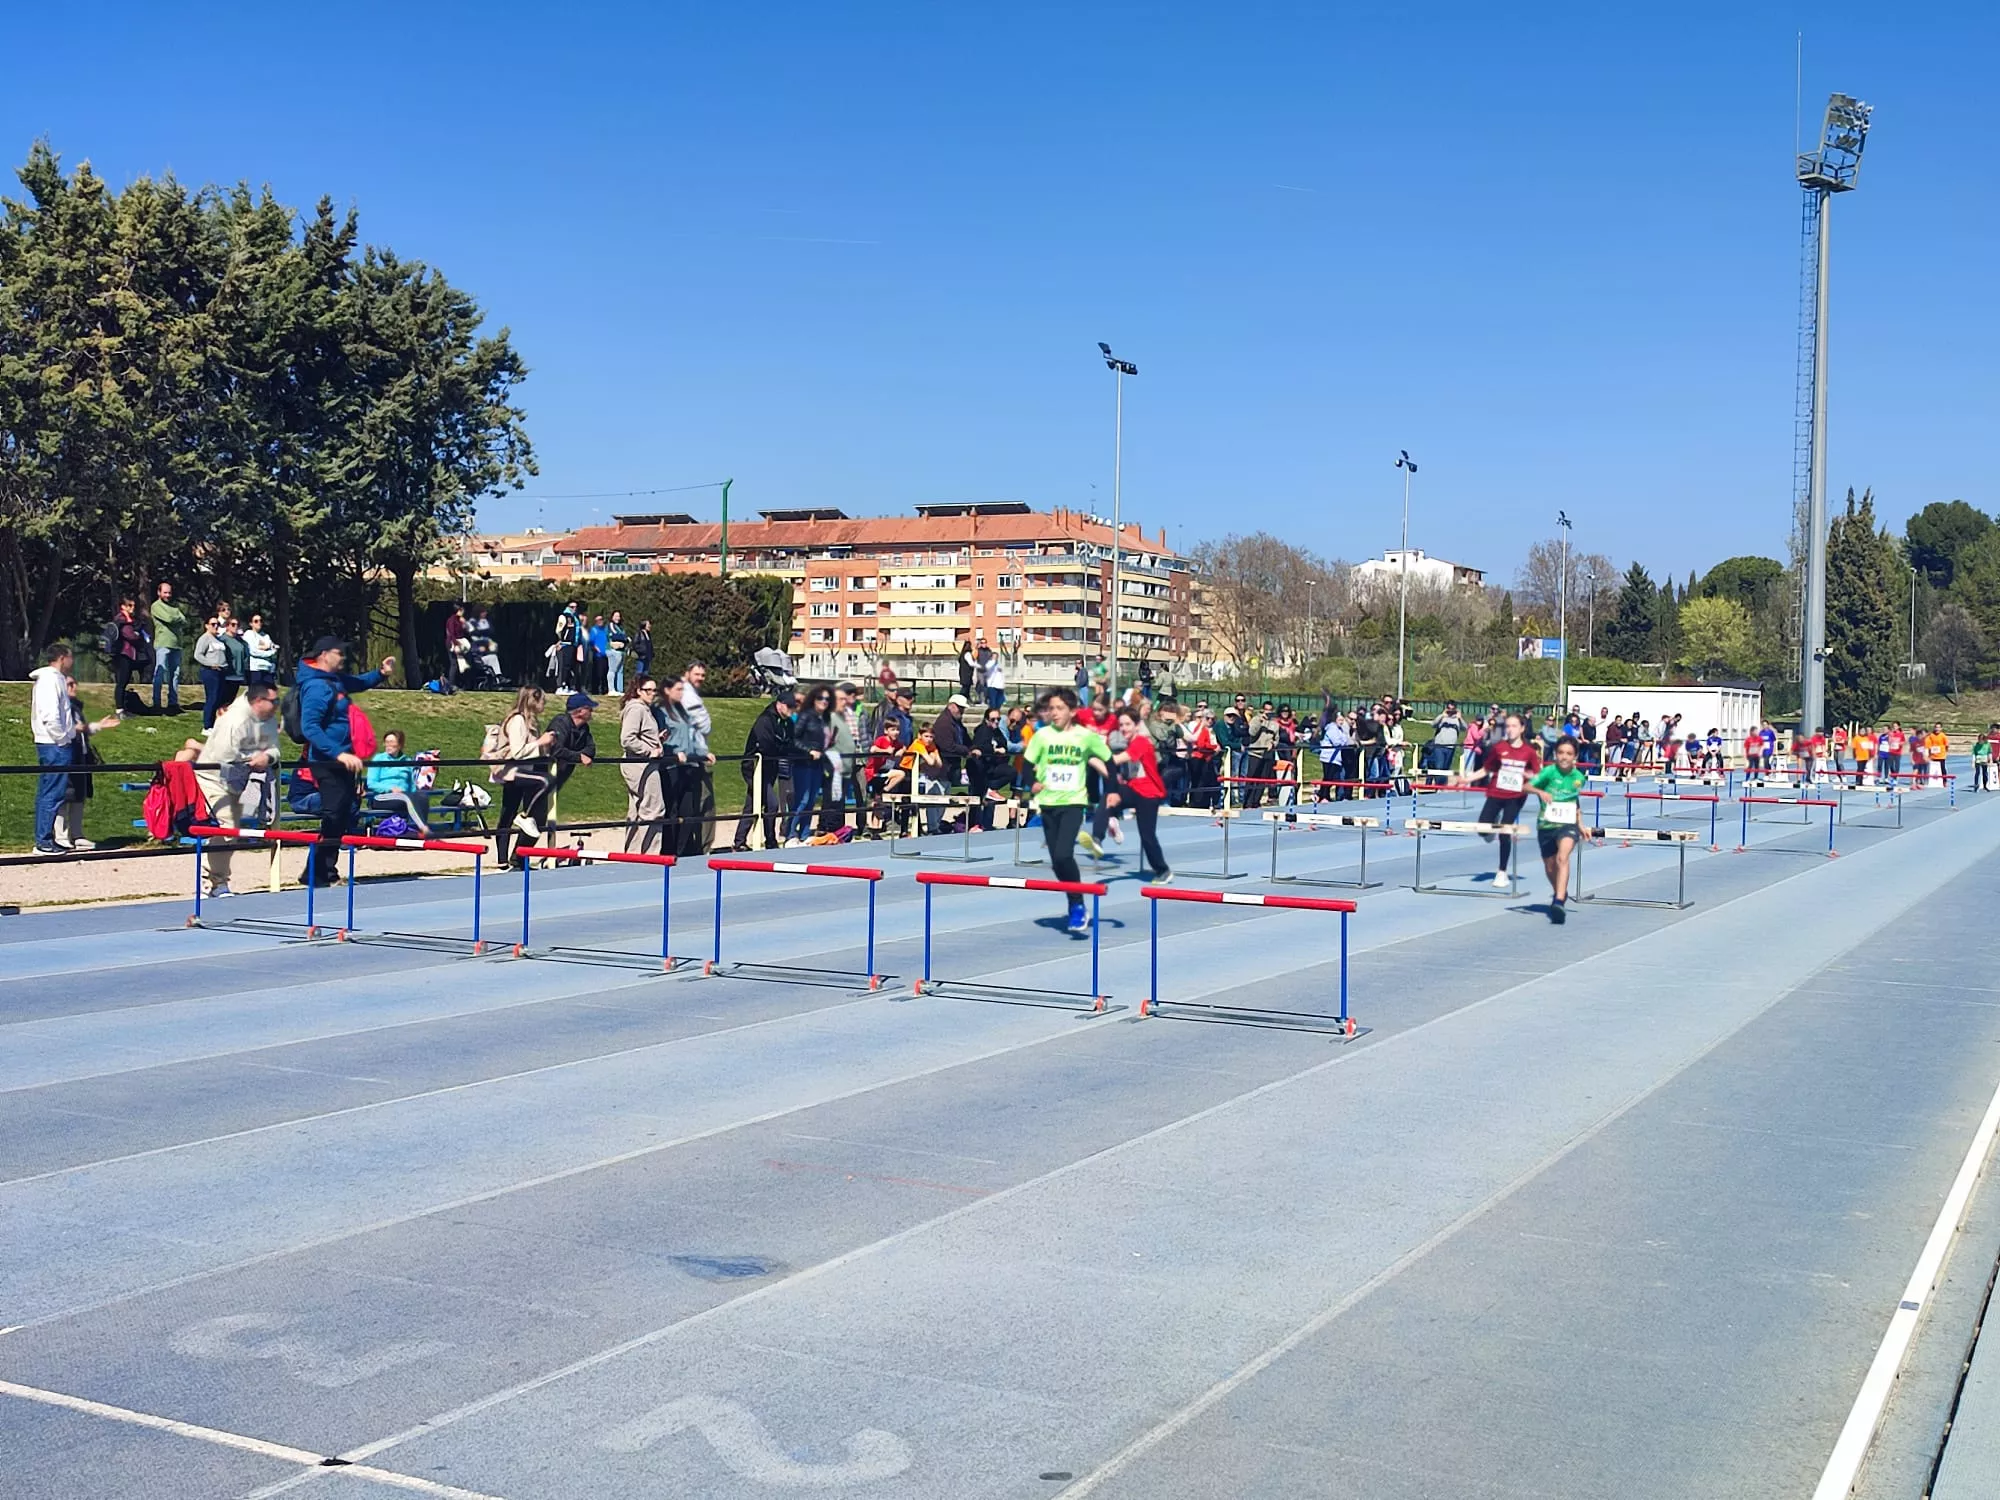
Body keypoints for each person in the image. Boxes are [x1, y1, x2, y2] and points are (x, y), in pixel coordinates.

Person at [296, 637, 394, 886]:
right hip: (327, 763)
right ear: (324, 654)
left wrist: (380, 673)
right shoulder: (316, 687)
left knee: (344, 813)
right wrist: (338, 753)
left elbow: (358, 682)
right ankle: (318, 872)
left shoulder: (334, 680)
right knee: (334, 815)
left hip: (344, 762)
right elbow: (310, 727)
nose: (343, 658)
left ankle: (320, 870)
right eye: (339, 653)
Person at [1024, 688, 1113, 934]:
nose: (1054, 713)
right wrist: (1031, 782)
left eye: (1060, 708)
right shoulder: (1042, 736)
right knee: (1057, 862)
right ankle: (1075, 900)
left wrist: (1115, 787)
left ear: (1073, 711)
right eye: (1051, 708)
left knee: (1064, 854)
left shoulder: (1085, 737)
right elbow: (1027, 765)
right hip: (1048, 803)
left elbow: (1108, 759)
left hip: (1074, 802)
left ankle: (1077, 905)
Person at [190, 681, 281, 894]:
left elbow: (276, 749)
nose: (277, 705)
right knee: (229, 825)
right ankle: (211, 881)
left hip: (242, 780)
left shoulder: (268, 718)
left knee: (233, 829)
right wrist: (254, 757)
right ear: (258, 701)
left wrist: (267, 756)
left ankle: (216, 880)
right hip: (212, 778)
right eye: (273, 701)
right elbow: (223, 756)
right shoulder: (234, 721)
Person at [30, 643, 116, 855]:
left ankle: (47, 838)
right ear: (61, 658)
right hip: (54, 744)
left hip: (55, 742)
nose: (72, 662)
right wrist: (62, 739)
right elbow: (51, 715)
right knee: (52, 792)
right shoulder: (50, 681)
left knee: (52, 792)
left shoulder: (55, 680)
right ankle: (43, 841)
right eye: (70, 658)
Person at [1452, 711, 1541, 888]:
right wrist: (1466, 779)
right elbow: (1486, 769)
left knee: (1505, 831)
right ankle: (1491, 829)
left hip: (1516, 796)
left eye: (1514, 726)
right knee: (1483, 828)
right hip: (1495, 792)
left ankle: (1502, 871)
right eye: (1507, 726)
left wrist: (1526, 774)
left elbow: (1538, 775)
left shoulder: (1529, 752)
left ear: (1522, 728)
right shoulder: (1499, 748)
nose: (1510, 729)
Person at [491, 685, 557, 867]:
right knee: (510, 811)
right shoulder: (517, 721)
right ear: (534, 700)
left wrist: (545, 745)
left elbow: (531, 749)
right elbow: (518, 751)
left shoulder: (531, 721)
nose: (544, 705)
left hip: (526, 770)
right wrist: (540, 742)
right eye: (542, 701)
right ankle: (504, 857)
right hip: (513, 772)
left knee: (508, 812)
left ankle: (511, 858)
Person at [1107, 706, 1172, 882]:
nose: (1124, 728)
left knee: (1147, 836)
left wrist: (1093, 756)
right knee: (1110, 797)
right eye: (1121, 725)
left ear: (1136, 725)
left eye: (1127, 724)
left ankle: (1163, 870)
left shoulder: (1141, 742)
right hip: (1135, 788)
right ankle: (1112, 819)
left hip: (1149, 793)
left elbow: (1118, 759)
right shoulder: (1130, 742)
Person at [1526, 735, 1587, 924]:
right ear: (1555, 754)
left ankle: (1559, 900)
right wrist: (1540, 792)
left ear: (1575, 756)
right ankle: (1559, 890)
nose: (1564, 757)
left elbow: (1575, 801)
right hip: (1546, 824)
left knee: (1563, 857)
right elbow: (1526, 786)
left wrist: (1581, 825)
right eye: (1561, 753)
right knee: (1550, 865)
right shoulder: (1548, 773)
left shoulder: (1578, 778)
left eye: (1569, 753)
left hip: (1567, 825)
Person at [733, 691, 796, 851]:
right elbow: (767, 746)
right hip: (754, 767)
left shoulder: (786, 722)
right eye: (789, 707)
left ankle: (739, 841)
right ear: (779, 704)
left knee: (753, 804)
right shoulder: (765, 720)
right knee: (772, 804)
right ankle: (770, 840)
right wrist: (783, 748)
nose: (791, 711)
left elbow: (791, 742)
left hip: (770, 766)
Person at [662, 676, 712, 855]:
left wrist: (702, 752)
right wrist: (673, 753)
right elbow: (659, 739)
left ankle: (683, 850)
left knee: (689, 810)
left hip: (689, 764)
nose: (681, 693)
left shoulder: (683, 711)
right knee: (672, 810)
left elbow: (692, 735)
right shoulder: (661, 711)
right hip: (672, 766)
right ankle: (669, 850)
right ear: (667, 690)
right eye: (678, 689)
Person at [619, 677, 669, 854]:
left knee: (637, 810)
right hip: (642, 765)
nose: (653, 694)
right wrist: (650, 751)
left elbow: (637, 736)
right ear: (638, 690)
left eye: (655, 691)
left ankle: (632, 853)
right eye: (649, 690)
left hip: (638, 764)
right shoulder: (637, 709)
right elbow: (627, 739)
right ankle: (651, 855)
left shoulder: (641, 709)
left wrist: (658, 739)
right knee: (653, 809)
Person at [785, 685, 831, 845]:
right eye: (820, 698)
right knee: (802, 799)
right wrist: (809, 751)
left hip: (817, 764)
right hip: (803, 762)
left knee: (811, 800)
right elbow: (794, 739)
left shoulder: (823, 719)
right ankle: (790, 833)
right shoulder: (806, 716)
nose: (824, 702)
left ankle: (804, 833)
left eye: (826, 699)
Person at [365, 729, 432, 836]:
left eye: (392, 742)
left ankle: (415, 832)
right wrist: (390, 788)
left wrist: (416, 794)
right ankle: (424, 830)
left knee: (422, 797)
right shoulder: (379, 759)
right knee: (406, 797)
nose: (388, 745)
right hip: (383, 797)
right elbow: (371, 783)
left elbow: (411, 785)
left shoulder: (406, 761)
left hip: (403, 796)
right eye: (386, 742)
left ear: (400, 745)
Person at [544, 693, 598, 816]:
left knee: (544, 815)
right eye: (589, 708)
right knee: (535, 814)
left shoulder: (584, 728)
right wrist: (579, 757)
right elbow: (556, 750)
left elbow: (591, 749)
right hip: (545, 774)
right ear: (580, 711)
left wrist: (581, 755)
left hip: (560, 775)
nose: (592, 711)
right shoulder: (560, 722)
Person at [967, 705, 1011, 830]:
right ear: (986, 720)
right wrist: (995, 750)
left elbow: (1004, 744)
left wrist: (1001, 749)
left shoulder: (997, 731)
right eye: (993, 719)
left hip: (990, 769)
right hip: (978, 769)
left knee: (1010, 772)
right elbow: (979, 746)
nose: (996, 722)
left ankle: (991, 790)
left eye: (998, 719)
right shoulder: (982, 730)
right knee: (977, 797)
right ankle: (974, 825)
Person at [148, 580, 187, 713]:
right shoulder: (156, 606)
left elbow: (184, 620)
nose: (168, 595)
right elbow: (170, 619)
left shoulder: (174, 607)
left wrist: (175, 618)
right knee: (160, 672)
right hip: (163, 643)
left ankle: (173, 703)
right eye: (165, 592)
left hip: (176, 644)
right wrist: (175, 618)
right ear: (159, 593)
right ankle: (157, 703)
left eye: (169, 592)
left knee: (175, 674)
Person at [103, 597, 147, 715]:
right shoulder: (122, 620)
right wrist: (137, 634)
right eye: (129, 606)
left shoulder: (128, 619)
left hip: (127, 654)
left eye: (133, 606)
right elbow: (130, 635)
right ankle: (119, 710)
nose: (132, 608)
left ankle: (123, 708)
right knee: (121, 682)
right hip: (122, 654)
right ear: (123, 606)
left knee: (124, 681)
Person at [194, 615, 231, 731]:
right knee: (212, 698)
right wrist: (210, 664)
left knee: (219, 698)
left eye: (217, 624)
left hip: (221, 672)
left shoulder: (218, 639)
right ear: (206, 626)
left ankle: (214, 724)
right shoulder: (205, 638)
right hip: (210, 672)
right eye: (213, 624)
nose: (216, 627)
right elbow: (198, 655)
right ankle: (207, 726)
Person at [242, 612, 279, 687]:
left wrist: (265, 649)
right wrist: (269, 652)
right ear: (251, 623)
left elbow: (275, 648)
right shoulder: (248, 634)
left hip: (267, 668)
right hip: (255, 669)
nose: (259, 623)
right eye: (256, 621)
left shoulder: (266, 636)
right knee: (256, 694)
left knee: (268, 694)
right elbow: (253, 652)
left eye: (260, 621)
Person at [1429, 702, 1465, 775]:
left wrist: (1460, 718)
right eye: (1449, 709)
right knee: (1439, 767)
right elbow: (1433, 724)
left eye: (1453, 709)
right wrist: (1442, 715)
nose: (1450, 711)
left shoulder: (1457, 719)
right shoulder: (1443, 718)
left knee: (1446, 768)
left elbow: (1464, 728)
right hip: (1439, 746)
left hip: (1450, 747)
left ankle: (1442, 785)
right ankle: (1438, 785)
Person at [444, 603, 470, 683]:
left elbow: (465, 631)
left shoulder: (460, 620)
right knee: (454, 664)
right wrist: (455, 644)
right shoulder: (451, 620)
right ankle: (451, 683)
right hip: (452, 644)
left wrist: (464, 624)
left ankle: (462, 683)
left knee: (463, 664)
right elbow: (451, 634)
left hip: (460, 643)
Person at [605, 610, 629, 696]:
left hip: (621, 651)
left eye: (619, 616)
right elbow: (615, 635)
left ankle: (619, 689)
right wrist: (625, 638)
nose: (617, 618)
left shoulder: (620, 627)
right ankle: (611, 689)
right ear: (612, 617)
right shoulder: (611, 625)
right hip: (612, 650)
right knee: (612, 669)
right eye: (616, 616)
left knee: (620, 671)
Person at [983, 645, 1007, 712]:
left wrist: (1003, 685)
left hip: (1000, 686)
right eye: (994, 657)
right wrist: (993, 660)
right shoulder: (989, 664)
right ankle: (991, 713)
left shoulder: (999, 664)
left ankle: (997, 712)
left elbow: (1002, 675)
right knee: (992, 703)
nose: (995, 658)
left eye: (996, 657)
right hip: (992, 686)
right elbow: (987, 668)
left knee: (999, 702)